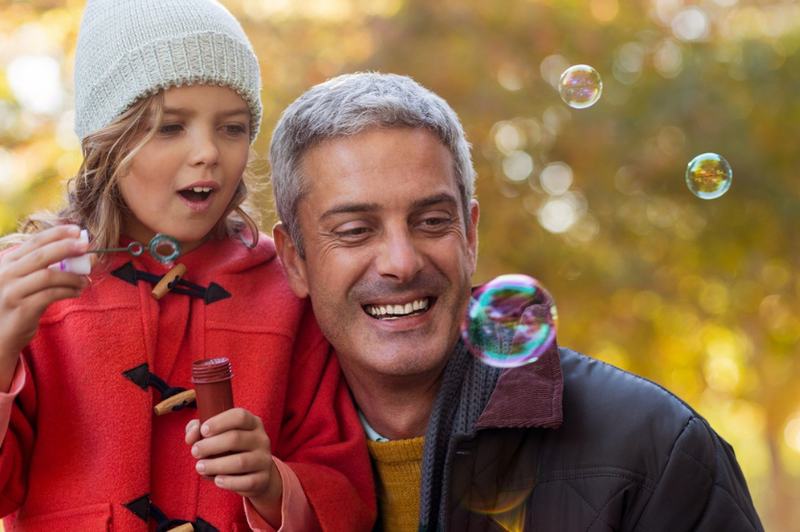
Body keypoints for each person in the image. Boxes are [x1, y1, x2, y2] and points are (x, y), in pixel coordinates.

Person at [269, 72, 764, 532]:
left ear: (470, 237)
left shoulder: (654, 449)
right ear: (295, 260)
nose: (402, 262)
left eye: (434, 221)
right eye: (355, 231)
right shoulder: (248, 458)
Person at [0, 1, 375, 531]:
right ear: (105, 142)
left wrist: (271, 485)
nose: (208, 153)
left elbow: (347, 494)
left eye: (233, 127)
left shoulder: (289, 293)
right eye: (171, 127)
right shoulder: (31, 289)